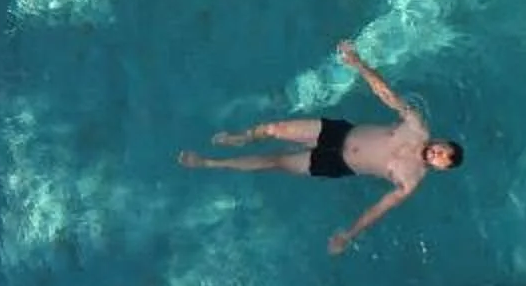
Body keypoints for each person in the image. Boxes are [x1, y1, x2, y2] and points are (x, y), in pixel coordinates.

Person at [179, 40, 463, 254]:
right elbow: (387, 95)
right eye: (443, 149)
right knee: (274, 129)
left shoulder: (411, 180)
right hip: (338, 134)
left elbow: (379, 209)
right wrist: (359, 63)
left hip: (337, 165)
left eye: (443, 160)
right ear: (439, 141)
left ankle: (210, 163)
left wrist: (349, 235)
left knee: (275, 162)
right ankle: (241, 138)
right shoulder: (416, 127)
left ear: (440, 168)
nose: (438, 154)